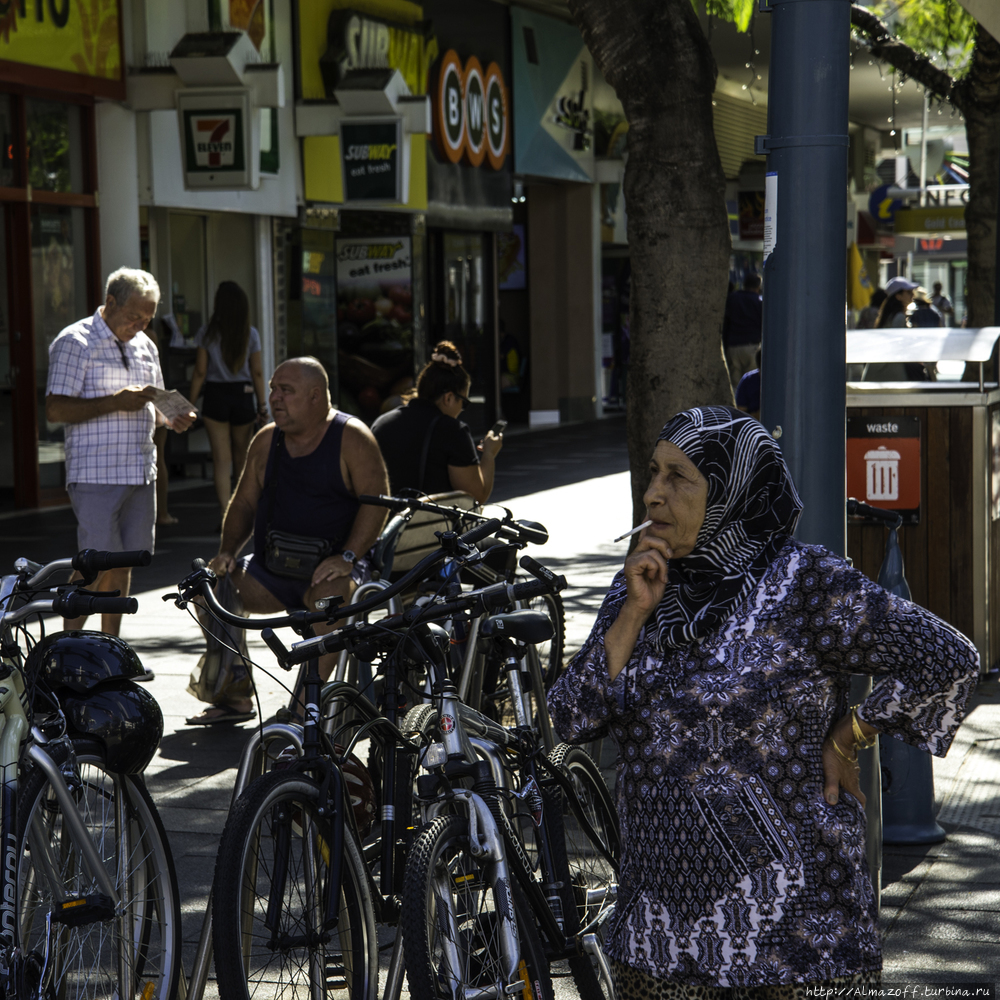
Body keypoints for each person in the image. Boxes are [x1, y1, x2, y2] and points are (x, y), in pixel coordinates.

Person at [548, 406, 978, 996]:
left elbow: (948, 658)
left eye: (679, 476)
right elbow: (569, 716)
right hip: (657, 942)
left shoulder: (805, 582)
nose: (652, 494)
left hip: (794, 944)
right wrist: (632, 615)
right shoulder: (641, 583)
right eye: (653, 472)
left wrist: (851, 731)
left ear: (733, 491)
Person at [189, 357, 388, 724]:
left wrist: (348, 555)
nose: (275, 398)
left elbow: (376, 505)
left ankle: (300, 713)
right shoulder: (267, 439)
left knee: (331, 600)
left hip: (333, 568)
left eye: (286, 391)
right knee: (208, 589)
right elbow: (245, 501)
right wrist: (227, 552)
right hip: (273, 569)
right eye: (273, 390)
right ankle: (233, 693)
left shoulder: (353, 437)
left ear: (316, 397)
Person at [45, 267, 196, 644]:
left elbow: (157, 404)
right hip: (96, 471)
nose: (140, 326)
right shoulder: (75, 341)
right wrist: (114, 402)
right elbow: (55, 409)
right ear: (110, 303)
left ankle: (110, 648)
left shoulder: (146, 345)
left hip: (140, 470)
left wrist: (173, 416)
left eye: (147, 319)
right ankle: (68, 649)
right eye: (134, 317)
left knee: (126, 562)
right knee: (93, 564)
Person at [372, 341, 503, 504]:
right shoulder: (452, 430)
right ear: (448, 398)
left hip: (385, 525)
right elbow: (475, 496)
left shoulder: (382, 423)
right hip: (428, 525)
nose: (463, 409)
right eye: (464, 402)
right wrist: (489, 454)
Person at [188, 281, 268, 523]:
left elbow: (200, 372)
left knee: (221, 461)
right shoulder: (250, 334)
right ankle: (244, 512)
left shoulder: (206, 333)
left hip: (215, 395)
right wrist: (262, 405)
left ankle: (225, 514)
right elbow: (257, 373)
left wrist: (190, 403)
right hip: (242, 395)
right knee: (242, 458)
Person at [722, 273, 762, 388]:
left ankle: (736, 405)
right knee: (752, 383)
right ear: (758, 287)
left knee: (735, 385)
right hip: (752, 347)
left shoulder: (732, 299)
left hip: (733, 346)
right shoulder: (759, 302)